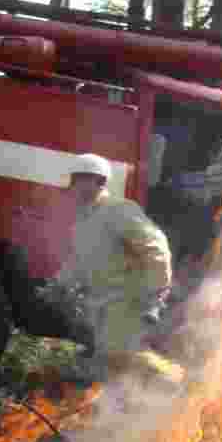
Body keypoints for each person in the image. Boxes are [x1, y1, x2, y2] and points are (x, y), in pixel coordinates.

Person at [56, 153, 184, 390]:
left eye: (83, 179)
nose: (76, 185)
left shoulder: (119, 210)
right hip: (103, 304)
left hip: (130, 299)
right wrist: (58, 285)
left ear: (100, 182)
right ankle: (126, 406)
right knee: (111, 361)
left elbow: (156, 249)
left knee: (122, 353)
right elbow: (78, 261)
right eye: (75, 179)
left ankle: (180, 383)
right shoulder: (83, 221)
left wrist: (156, 292)